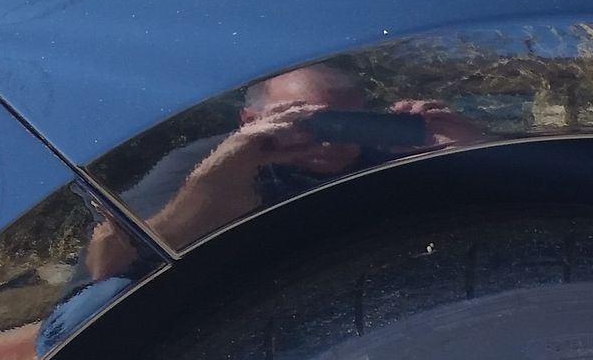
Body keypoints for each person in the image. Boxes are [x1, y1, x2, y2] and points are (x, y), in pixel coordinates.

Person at [83, 65, 483, 280]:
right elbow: (104, 269)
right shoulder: (204, 162)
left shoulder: (394, 155)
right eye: (306, 121)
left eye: (349, 122)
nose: (331, 140)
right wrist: (211, 185)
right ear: (250, 121)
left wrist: (472, 150)